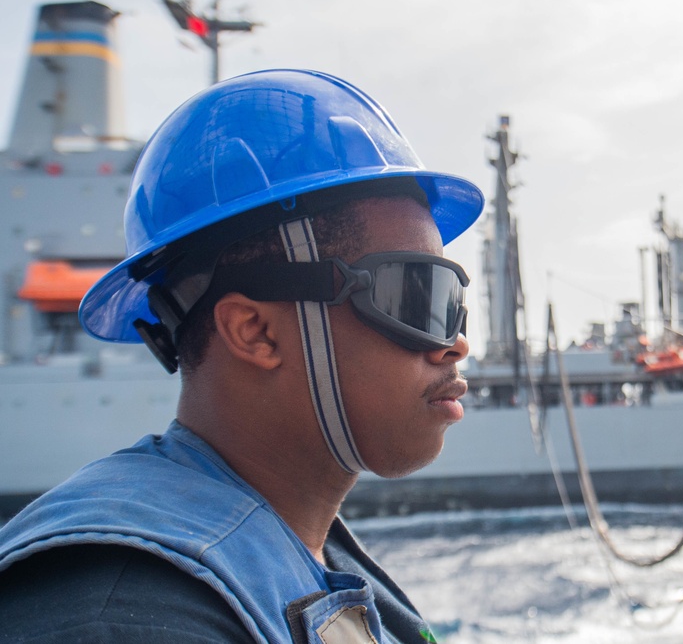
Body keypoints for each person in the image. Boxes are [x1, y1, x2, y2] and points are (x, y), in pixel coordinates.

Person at [0, 69, 484, 643]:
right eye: (417, 295)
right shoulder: (118, 615)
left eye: (452, 299)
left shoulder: (308, 553)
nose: (455, 343)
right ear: (254, 332)